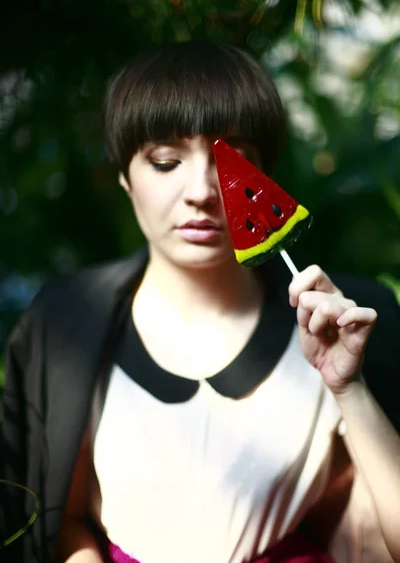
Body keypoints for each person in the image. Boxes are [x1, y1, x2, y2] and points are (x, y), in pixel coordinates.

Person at [1, 40, 400, 563]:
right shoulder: (64, 320)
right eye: (165, 161)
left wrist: (348, 387)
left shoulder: (350, 317)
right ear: (124, 175)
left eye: (232, 162)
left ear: (265, 174)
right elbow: (63, 520)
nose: (203, 191)